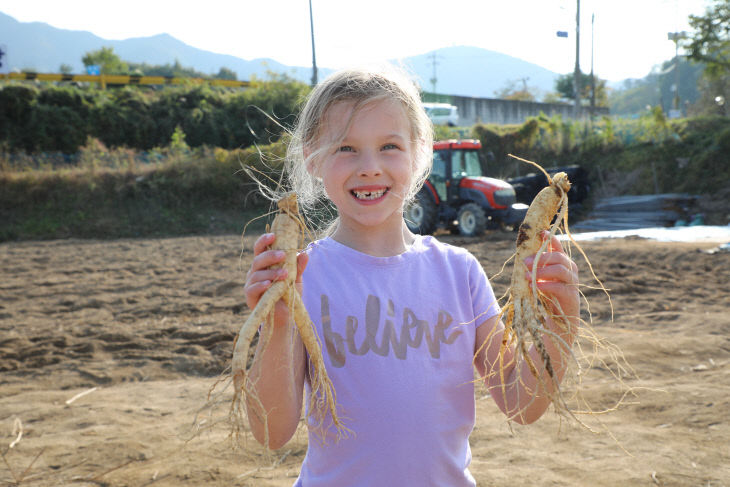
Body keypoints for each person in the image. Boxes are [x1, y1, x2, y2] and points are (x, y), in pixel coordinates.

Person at [243, 65, 580, 486]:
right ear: (313, 157)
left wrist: (560, 324)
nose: (370, 167)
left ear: (420, 152)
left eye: (389, 146)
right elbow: (272, 433)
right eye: (346, 148)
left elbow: (520, 402)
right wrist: (275, 324)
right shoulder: (302, 278)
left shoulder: (459, 273)